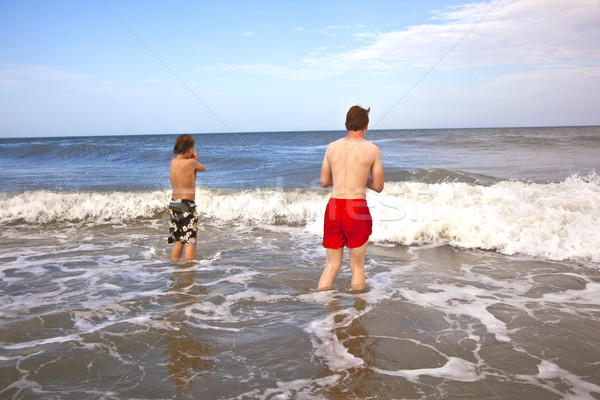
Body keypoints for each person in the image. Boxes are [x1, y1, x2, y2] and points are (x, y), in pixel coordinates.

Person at [317, 105, 384, 291]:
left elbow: (324, 182)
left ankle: (324, 311)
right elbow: (378, 186)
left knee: (331, 266)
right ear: (367, 125)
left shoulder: (331, 147)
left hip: (334, 206)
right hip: (357, 207)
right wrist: (363, 179)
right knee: (357, 266)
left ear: (346, 124)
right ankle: (357, 314)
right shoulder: (372, 150)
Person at [168, 134, 206, 260]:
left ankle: (174, 268)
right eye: (193, 149)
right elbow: (203, 168)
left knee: (179, 241)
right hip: (186, 205)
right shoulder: (191, 162)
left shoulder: (173, 163)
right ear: (189, 149)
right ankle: (188, 272)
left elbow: (191, 179)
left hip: (174, 204)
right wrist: (195, 158)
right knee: (190, 242)